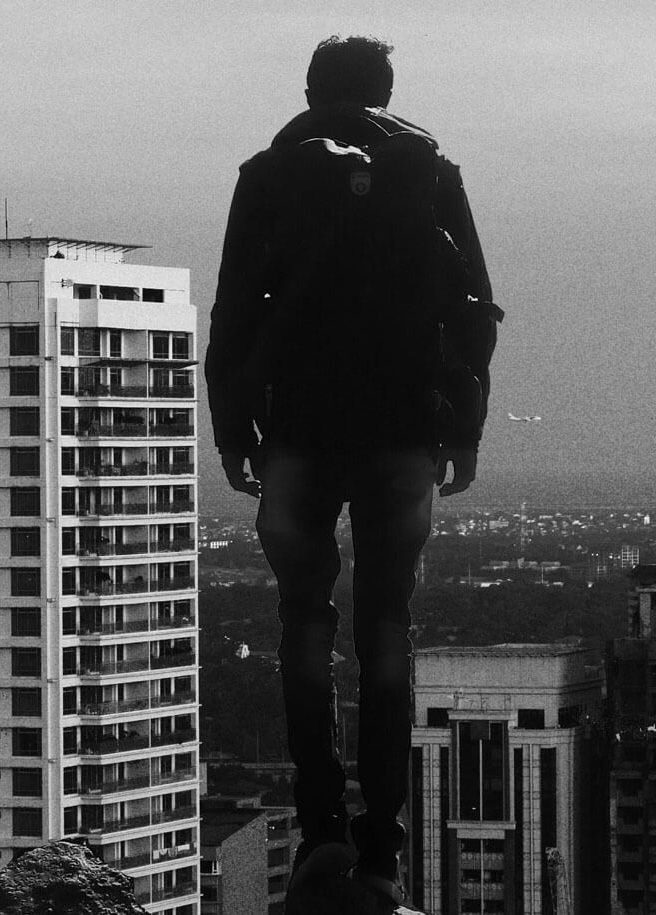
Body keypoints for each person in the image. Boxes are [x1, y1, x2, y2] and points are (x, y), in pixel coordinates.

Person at [206, 35, 499, 908]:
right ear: (387, 91)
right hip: (402, 430)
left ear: (309, 91)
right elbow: (471, 310)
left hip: (297, 430)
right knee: (385, 629)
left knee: (304, 621)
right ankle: (382, 848)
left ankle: (321, 830)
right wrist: (463, 427)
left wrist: (233, 430)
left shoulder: (266, 175)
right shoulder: (431, 171)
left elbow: (233, 312)